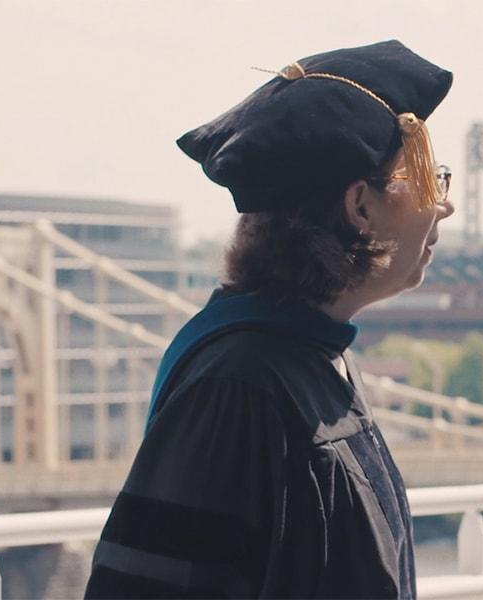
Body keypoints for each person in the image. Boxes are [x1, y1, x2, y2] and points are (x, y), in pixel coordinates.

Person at [84, 39, 455, 598]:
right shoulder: (237, 387)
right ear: (360, 207)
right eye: (427, 180)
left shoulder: (311, 360)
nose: (443, 205)